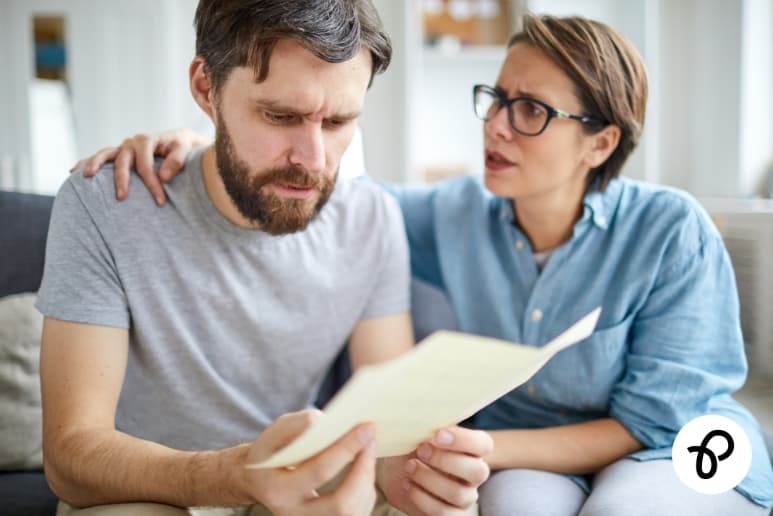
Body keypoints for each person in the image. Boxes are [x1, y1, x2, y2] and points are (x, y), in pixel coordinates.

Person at [76, 13, 773, 516]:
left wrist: (479, 448)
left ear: (600, 143)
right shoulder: (448, 213)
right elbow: (317, 193)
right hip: (524, 448)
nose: (495, 125)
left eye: (528, 110)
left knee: (625, 511)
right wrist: (204, 141)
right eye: (495, 99)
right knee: (514, 512)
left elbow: (650, 423)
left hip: (678, 443)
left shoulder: (669, 227)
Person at [38, 1, 493, 515]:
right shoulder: (103, 203)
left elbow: (385, 424)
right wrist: (237, 476)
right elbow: (70, 454)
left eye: (340, 121)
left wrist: (407, 472)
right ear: (206, 88)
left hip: (296, 481)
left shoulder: (372, 218)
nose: (314, 160)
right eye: (281, 117)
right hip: (146, 487)